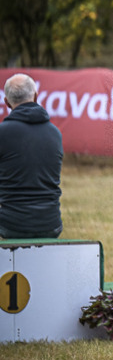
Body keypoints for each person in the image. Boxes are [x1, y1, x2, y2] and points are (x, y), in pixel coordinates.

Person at [0, 74, 63, 239]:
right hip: (51, 224)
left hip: (11, 226)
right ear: (36, 96)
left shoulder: (2, 133)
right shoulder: (55, 133)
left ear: (6, 102)